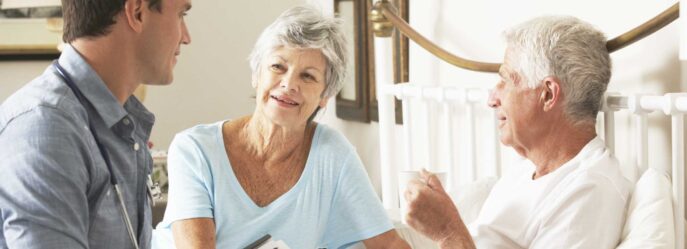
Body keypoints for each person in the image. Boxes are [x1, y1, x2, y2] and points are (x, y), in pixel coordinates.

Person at [151, 6, 409, 249]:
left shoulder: (333, 155)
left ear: (324, 96)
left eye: (307, 76)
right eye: (278, 67)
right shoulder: (195, 149)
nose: (288, 84)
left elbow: (389, 244)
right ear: (256, 74)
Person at [403, 16, 632, 249]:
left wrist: (448, 232)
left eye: (506, 81)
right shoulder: (526, 170)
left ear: (548, 95)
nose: (492, 99)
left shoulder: (588, 191)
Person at [0, 0, 191, 248]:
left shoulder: (120, 125)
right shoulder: (46, 130)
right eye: (180, 15)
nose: (186, 37)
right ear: (137, 12)